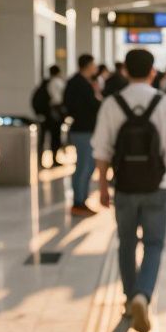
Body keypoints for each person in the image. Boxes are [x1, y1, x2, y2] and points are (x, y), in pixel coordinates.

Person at [90, 49, 166, 332]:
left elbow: (101, 151)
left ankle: (129, 298)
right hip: (157, 186)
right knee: (154, 244)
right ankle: (143, 295)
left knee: (126, 243)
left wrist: (103, 187)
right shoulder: (165, 102)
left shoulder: (111, 103)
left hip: (124, 187)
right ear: (152, 72)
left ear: (124, 72)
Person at [65, 54, 102, 216]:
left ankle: (82, 200)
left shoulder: (80, 82)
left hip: (85, 129)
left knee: (88, 165)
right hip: (83, 130)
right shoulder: (79, 84)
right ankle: (78, 202)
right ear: (87, 65)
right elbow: (90, 105)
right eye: (93, 64)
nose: (95, 67)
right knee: (84, 166)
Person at [32, 65, 65, 167]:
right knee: (55, 138)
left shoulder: (44, 84)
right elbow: (58, 100)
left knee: (43, 139)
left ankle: (40, 161)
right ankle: (54, 159)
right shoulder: (57, 83)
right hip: (53, 116)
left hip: (44, 116)